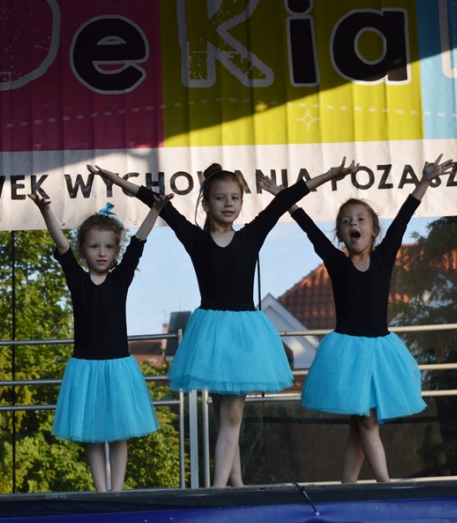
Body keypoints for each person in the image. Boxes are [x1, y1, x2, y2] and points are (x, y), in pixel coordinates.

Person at [87, 159, 356, 488]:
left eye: (235, 198)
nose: (229, 204)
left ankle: (217, 490)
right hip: (211, 337)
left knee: (231, 415)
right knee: (224, 416)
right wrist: (113, 178)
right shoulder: (196, 239)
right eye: (220, 198)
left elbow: (286, 199)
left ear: (242, 202)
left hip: (245, 337)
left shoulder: (251, 234)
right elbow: (152, 199)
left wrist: (330, 174)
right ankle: (236, 485)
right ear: (206, 203)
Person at [260, 154, 453, 483]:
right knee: (365, 422)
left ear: (374, 230)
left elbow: (405, 216)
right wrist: (284, 197)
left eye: (361, 219)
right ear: (340, 234)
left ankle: (347, 487)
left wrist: (424, 181)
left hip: (379, 350)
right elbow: (308, 227)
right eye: (347, 221)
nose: (354, 224)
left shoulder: (384, 257)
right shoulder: (336, 263)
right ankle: (384, 484)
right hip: (347, 352)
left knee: (361, 424)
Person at [28, 192, 172, 492]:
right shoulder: (77, 279)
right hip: (85, 367)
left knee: (119, 433)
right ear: (83, 250)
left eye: (108, 247)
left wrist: (155, 209)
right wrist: (45, 211)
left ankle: (117, 492)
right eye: (94, 246)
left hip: (118, 366)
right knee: (92, 433)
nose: (102, 253)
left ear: (117, 251)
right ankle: (101, 491)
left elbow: (139, 242)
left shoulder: (120, 278)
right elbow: (61, 245)